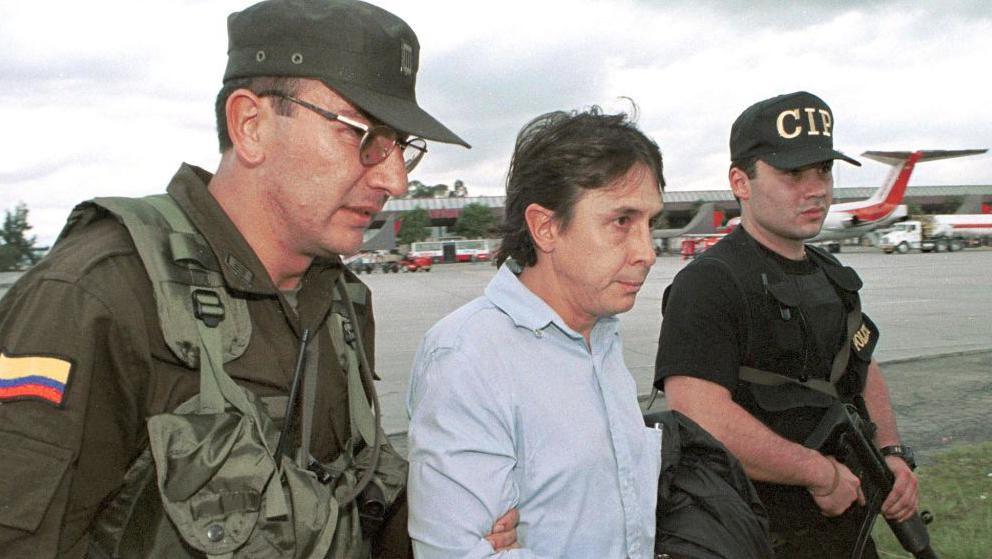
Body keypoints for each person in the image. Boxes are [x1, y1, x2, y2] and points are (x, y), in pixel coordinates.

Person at [0, 1, 517, 557]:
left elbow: (348, 508)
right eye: (368, 139)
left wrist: (441, 519)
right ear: (251, 126)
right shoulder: (96, 298)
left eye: (402, 150)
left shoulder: (340, 303)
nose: (394, 180)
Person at [654, 91, 920, 558]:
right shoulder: (710, 283)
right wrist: (816, 472)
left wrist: (892, 454)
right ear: (741, 181)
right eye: (793, 173)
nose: (815, 188)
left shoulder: (831, 275)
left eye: (823, 170)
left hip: (847, 535)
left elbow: (863, 367)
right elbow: (698, 412)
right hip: (756, 537)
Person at [406, 107, 665, 558]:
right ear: (546, 227)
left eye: (651, 224)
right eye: (622, 221)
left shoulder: (601, 339)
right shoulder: (468, 357)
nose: (646, 252)